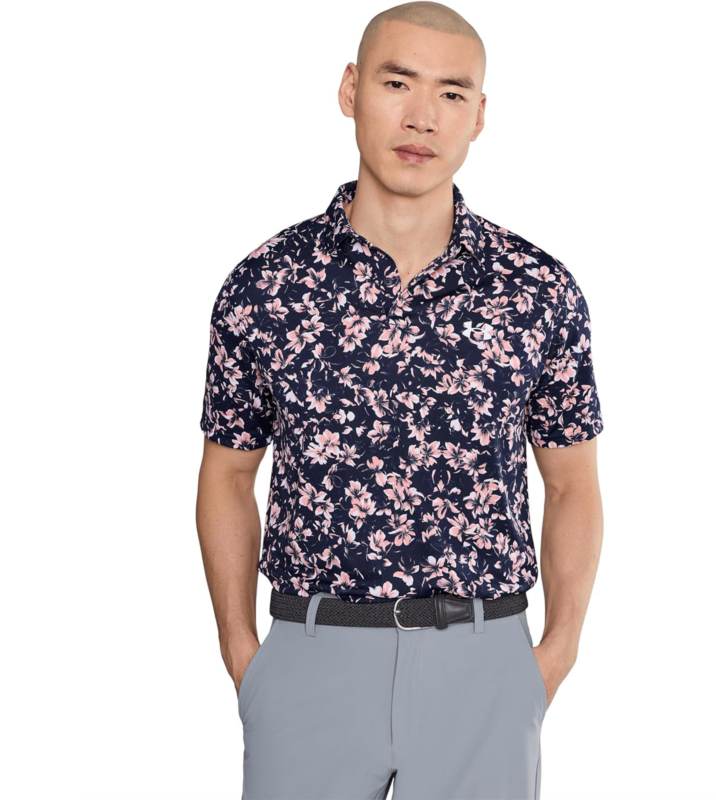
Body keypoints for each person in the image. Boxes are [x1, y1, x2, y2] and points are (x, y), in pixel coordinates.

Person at [195, 3, 605, 798]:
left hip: (483, 661)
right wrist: (246, 656)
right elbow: (226, 474)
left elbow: (571, 484)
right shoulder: (266, 286)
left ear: (479, 115)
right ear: (351, 90)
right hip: (310, 656)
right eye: (397, 83)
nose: (423, 118)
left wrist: (554, 654)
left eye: (452, 93)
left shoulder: (537, 291)